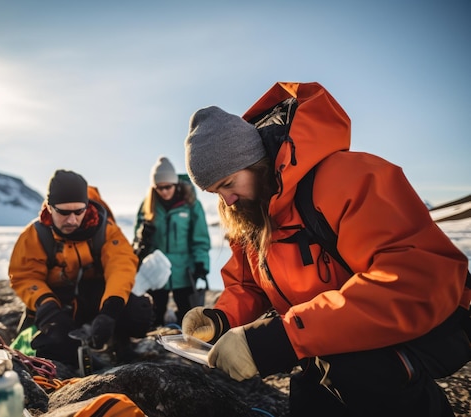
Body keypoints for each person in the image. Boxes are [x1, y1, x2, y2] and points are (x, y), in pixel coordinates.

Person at [181, 82, 471, 416]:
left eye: (228, 184)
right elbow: (247, 284)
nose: (227, 201)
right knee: (310, 396)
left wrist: (284, 337)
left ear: (255, 161)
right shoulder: (251, 211)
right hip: (332, 337)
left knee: (357, 374)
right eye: (216, 192)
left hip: (432, 323)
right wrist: (220, 317)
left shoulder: (349, 179)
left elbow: (415, 281)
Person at [8, 169, 154, 368]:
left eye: (79, 211)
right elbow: (25, 276)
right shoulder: (35, 235)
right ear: (50, 207)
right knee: (52, 345)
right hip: (58, 304)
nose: (72, 220)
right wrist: (47, 305)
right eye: (64, 212)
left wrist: (110, 311)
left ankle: (118, 342)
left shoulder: (106, 229)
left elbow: (121, 265)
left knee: (138, 312)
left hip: (94, 298)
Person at [132, 156, 211, 327]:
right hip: (155, 271)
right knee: (154, 315)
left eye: (167, 187)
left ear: (175, 184)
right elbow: (137, 242)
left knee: (187, 314)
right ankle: (157, 348)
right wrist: (142, 238)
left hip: (184, 270)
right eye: (159, 188)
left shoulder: (191, 204)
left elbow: (200, 238)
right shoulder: (147, 206)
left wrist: (201, 264)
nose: (164, 191)